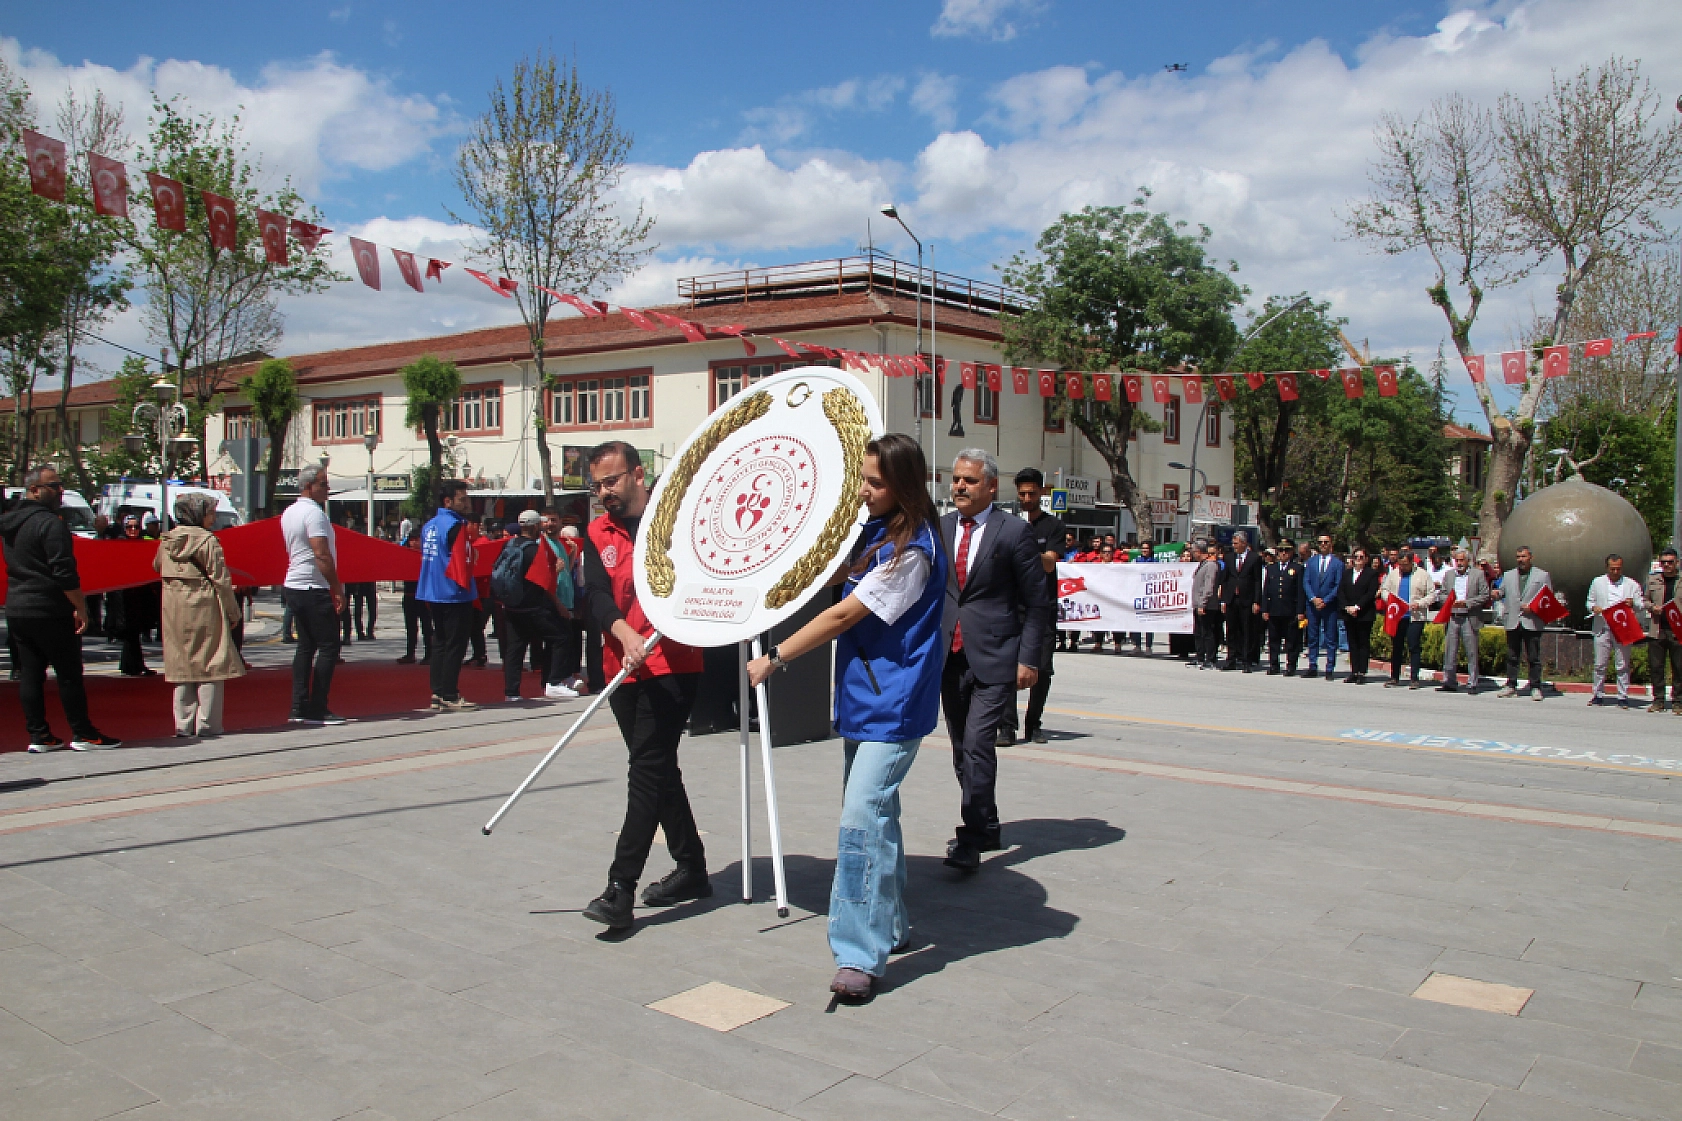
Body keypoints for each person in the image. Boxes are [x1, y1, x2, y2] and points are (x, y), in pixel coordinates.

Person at [747, 433, 945, 1001]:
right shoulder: (875, 530)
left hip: (895, 704)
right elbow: (830, 575)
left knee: (861, 819)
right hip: (863, 698)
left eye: (875, 482)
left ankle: (858, 953)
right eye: (862, 478)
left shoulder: (914, 551)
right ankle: (895, 924)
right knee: (877, 813)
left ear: (905, 484)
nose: (865, 489)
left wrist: (777, 656)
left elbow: (842, 615)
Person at [577, 442, 710, 932]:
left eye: (610, 481)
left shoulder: (675, 523)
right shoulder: (596, 532)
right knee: (658, 771)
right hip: (621, 666)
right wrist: (623, 632)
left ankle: (620, 887)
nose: (603, 493)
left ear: (637, 474)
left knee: (646, 770)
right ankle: (692, 867)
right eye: (597, 485)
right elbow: (593, 593)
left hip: (673, 666)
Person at [936, 450, 1049, 872]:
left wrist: (1029, 659)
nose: (960, 486)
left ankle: (971, 838)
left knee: (981, 745)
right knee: (962, 749)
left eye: (969, 480)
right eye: (956, 479)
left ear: (990, 486)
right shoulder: (942, 527)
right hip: (950, 656)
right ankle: (988, 821)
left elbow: (1037, 603)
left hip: (997, 655)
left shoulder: (1013, 532)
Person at [2, 466, 121, 751]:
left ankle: (39, 735)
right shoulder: (50, 524)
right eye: (53, 486)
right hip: (50, 607)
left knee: (30, 673)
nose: (60, 491)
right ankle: (83, 733)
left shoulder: (9, 522)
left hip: (18, 605)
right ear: (34, 490)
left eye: (60, 485)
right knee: (68, 673)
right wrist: (81, 606)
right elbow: (64, 571)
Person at [154, 493, 244, 737]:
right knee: (211, 664)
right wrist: (232, 611)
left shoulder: (167, 540)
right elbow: (221, 580)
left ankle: (183, 724)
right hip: (205, 605)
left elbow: (156, 566)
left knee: (182, 665)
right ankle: (208, 724)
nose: (213, 517)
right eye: (210, 512)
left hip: (174, 608)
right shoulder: (207, 541)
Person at [997, 468, 1063, 746]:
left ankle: (1033, 723)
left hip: (1043, 607)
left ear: (1041, 492)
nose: (1026, 498)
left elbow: (1050, 563)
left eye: (1031, 493)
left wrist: (1025, 553)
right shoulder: (1009, 524)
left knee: (1043, 670)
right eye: (1022, 493)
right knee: (1008, 667)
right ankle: (1006, 727)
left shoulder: (1053, 527)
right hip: (1013, 607)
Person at [282, 464, 348, 725]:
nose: (327, 488)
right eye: (323, 484)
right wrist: (337, 587)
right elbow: (321, 553)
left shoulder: (290, 512)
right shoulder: (314, 514)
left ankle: (299, 705)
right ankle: (317, 706)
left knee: (306, 646)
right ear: (309, 486)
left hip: (295, 583)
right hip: (312, 584)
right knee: (329, 646)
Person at [497, 509, 580, 702]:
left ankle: (512, 692)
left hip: (512, 607)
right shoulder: (535, 550)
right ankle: (554, 682)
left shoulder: (509, 545)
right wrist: (556, 577)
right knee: (560, 637)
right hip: (534, 607)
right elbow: (543, 582)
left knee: (515, 649)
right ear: (535, 526)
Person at [418, 480, 480, 713]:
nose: (466, 503)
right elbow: (462, 561)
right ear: (448, 501)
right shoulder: (456, 526)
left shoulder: (430, 525)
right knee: (455, 645)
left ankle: (438, 692)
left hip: (433, 590)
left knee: (440, 644)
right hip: (454, 592)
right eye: (462, 499)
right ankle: (450, 693)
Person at [1493, 545, 1552, 702]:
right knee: (1512, 655)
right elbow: (1502, 592)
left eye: (1523, 557)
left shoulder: (1542, 575)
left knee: (1533, 656)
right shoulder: (1509, 575)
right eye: (1518, 557)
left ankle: (1535, 686)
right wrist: (1497, 593)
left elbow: (1548, 599)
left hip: (1532, 621)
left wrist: (1533, 607)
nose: (1520, 560)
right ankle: (1511, 685)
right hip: (1513, 620)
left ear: (1530, 557)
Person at [1587, 553, 1645, 708]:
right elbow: (1589, 602)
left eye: (1618, 569)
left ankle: (1622, 696)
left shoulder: (1631, 584)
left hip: (1622, 627)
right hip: (1603, 626)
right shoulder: (1598, 582)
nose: (1615, 572)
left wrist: (1633, 603)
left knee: (1622, 664)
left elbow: (1641, 604)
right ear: (1607, 568)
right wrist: (1594, 607)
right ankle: (1598, 694)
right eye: (1612, 569)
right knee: (1600, 663)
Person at [1433, 548, 1491, 694]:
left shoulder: (1477, 575)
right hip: (1453, 616)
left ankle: (1472, 683)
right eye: (1456, 560)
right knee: (1450, 651)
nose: (1459, 563)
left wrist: (1467, 603)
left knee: (1471, 652)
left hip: (1469, 616)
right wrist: (1450, 601)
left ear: (1467, 561)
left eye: (1461, 560)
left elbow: (1485, 595)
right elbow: (1442, 595)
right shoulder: (1449, 574)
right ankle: (1449, 681)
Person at [1381, 549, 1432, 688]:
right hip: (1397, 616)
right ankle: (1394, 677)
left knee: (1413, 646)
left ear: (1411, 562)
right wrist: (1389, 600)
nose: (1402, 567)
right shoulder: (1393, 574)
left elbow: (1432, 594)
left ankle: (1414, 678)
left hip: (1415, 617)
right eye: (1400, 564)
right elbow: (1384, 590)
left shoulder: (1423, 575)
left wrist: (1420, 603)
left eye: (1405, 564)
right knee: (1396, 646)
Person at [1300, 534, 1344, 680]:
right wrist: (1313, 598)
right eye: (1320, 542)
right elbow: (1306, 582)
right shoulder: (1311, 562)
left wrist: (1326, 600)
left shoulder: (1337, 564)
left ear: (1331, 544)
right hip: (1313, 605)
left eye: (1326, 542)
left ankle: (1330, 668)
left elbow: (1338, 585)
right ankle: (1312, 665)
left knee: (1330, 637)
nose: (1323, 544)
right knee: (1313, 636)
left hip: (1329, 605)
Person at [1643, 548, 1682, 713]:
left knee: (1679, 667)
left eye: (1670, 562)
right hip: (1657, 629)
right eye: (1663, 562)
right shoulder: (1653, 580)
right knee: (1656, 666)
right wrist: (1652, 607)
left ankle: (1678, 702)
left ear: (1677, 563)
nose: (1666, 565)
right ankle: (1658, 700)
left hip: (1677, 629)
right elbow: (1644, 600)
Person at [1260, 537, 1304, 675]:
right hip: (1274, 610)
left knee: (1291, 640)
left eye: (1286, 550)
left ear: (1291, 552)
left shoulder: (1297, 568)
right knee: (1274, 640)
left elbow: (1300, 592)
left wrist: (1300, 611)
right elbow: (1266, 590)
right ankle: (1274, 665)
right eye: (1281, 550)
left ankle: (1291, 665)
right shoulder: (1271, 568)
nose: (1283, 553)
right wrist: (1265, 608)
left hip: (1290, 610)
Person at [1335, 547, 1380, 683]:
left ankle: (1362, 672)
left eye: (1361, 557)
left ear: (1366, 559)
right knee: (1352, 643)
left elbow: (1370, 593)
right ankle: (1354, 671)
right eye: (1356, 557)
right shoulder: (1347, 573)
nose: (1358, 560)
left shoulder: (1371, 574)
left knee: (1363, 643)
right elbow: (1341, 591)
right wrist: (1346, 607)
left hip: (1364, 613)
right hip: (1349, 613)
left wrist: (1357, 607)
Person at [1222, 531, 1262, 671]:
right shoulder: (1229, 558)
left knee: (1246, 630)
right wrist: (1224, 600)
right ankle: (1231, 658)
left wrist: (1257, 601)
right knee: (1231, 630)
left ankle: (1246, 660)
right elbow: (1225, 579)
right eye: (1233, 543)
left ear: (1244, 543)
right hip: (1232, 598)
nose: (1234, 546)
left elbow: (1257, 581)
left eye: (1236, 543)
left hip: (1247, 599)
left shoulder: (1254, 558)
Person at [396, 528, 433, 665]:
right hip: (409, 595)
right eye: (411, 540)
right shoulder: (404, 555)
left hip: (424, 596)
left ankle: (429, 653)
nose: (413, 543)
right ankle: (410, 653)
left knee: (427, 627)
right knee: (411, 626)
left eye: (417, 540)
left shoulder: (428, 556)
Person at [1191, 541, 1221, 670]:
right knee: (1198, 632)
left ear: (1198, 551)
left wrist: (1203, 603)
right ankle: (1200, 657)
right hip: (1198, 604)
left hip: (1207, 605)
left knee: (1207, 632)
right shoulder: (1201, 565)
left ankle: (1210, 659)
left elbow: (1209, 586)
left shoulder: (1210, 565)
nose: (1192, 554)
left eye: (1193, 551)